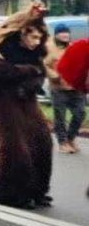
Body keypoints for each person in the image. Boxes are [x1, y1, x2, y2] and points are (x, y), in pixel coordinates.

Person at [0, 8, 53, 209]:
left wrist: (32, 81)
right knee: (17, 151)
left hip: (28, 105)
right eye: (33, 37)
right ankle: (8, 192)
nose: (36, 42)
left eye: (39, 37)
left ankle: (37, 190)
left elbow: (39, 74)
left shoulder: (34, 54)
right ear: (21, 34)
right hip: (4, 107)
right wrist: (22, 72)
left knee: (43, 144)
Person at [45, 23, 85, 154]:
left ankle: (71, 138)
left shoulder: (74, 47)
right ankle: (62, 143)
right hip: (59, 88)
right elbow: (44, 65)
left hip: (76, 87)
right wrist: (53, 75)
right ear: (56, 35)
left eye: (66, 32)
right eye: (61, 33)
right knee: (60, 117)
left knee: (80, 114)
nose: (65, 35)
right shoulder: (50, 49)